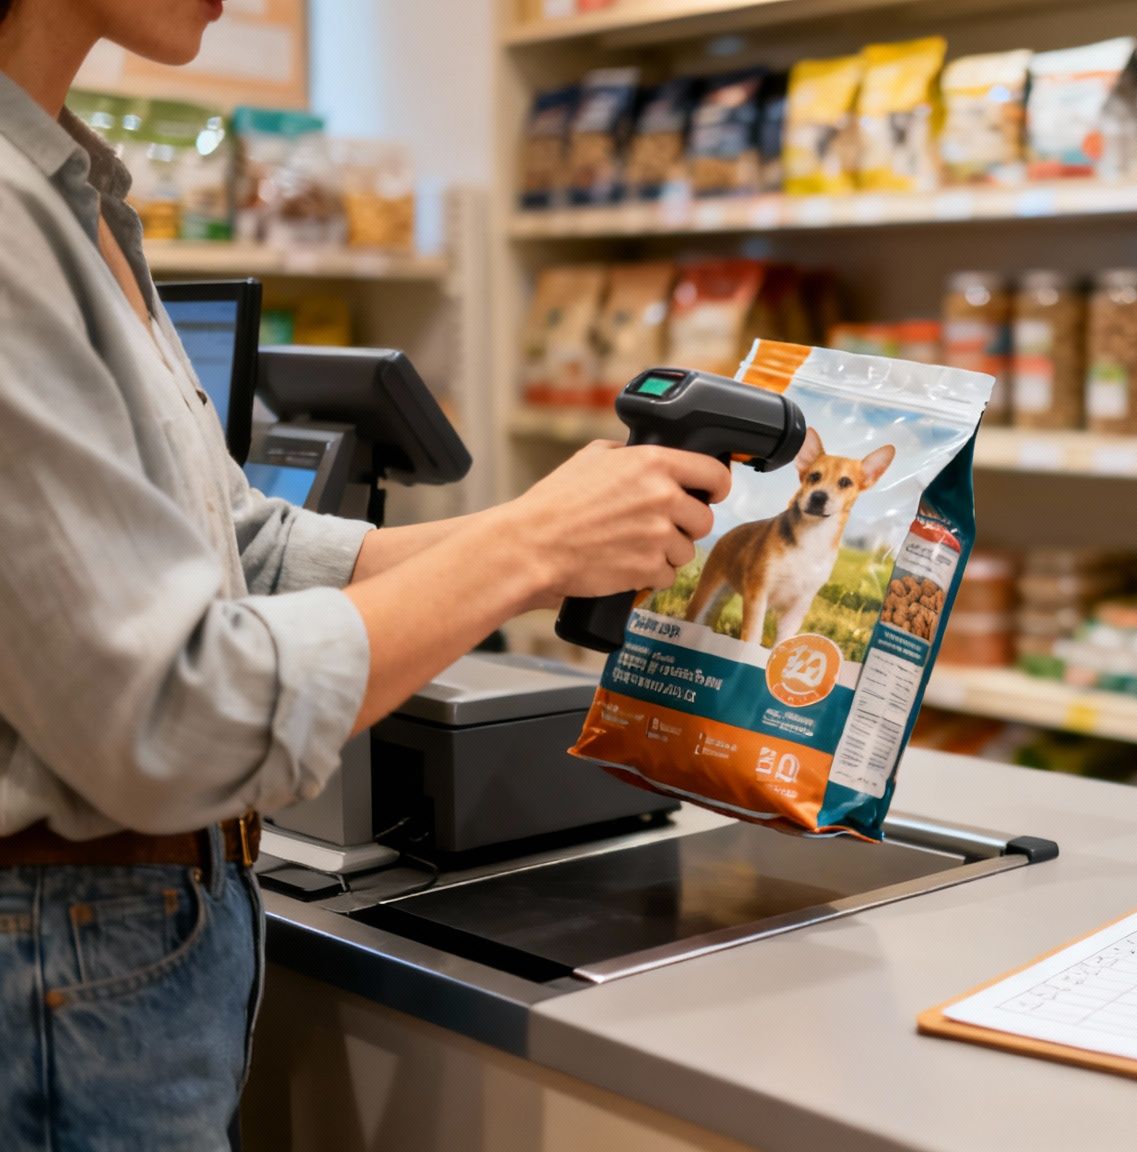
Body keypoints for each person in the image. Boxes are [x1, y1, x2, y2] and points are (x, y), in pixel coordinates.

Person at [0, 1, 732, 1147]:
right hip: (59, 947)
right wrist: (526, 550)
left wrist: (549, 535)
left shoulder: (65, 185)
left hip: (125, 927)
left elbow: (239, 543)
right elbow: (168, 712)